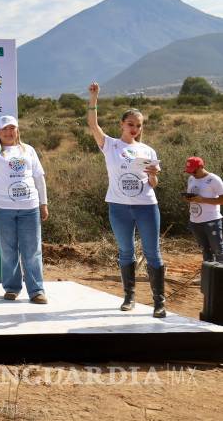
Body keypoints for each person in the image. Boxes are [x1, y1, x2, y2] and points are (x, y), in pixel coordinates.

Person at [87, 83, 165, 318]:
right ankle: (129, 297)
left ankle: (159, 302)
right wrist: (94, 98)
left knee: (153, 252)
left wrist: (153, 175)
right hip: (119, 206)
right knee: (125, 251)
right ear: (122, 124)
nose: (134, 129)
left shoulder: (148, 150)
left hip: (146, 206)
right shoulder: (110, 145)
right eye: (130, 124)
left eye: (138, 125)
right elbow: (93, 124)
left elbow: (153, 184)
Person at [0, 115, 49, 304]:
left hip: (29, 208)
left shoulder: (28, 150)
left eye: (12, 128)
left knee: (32, 250)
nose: (9, 132)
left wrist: (43, 203)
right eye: (4, 129)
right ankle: (12, 288)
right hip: (1, 208)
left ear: (17, 130)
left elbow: (39, 178)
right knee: (8, 251)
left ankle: (36, 290)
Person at [183, 156, 223, 264]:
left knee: (219, 251)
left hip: (211, 221)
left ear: (201, 167)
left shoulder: (214, 180)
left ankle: (219, 278)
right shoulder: (191, 179)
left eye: (194, 171)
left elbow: (222, 199)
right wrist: (189, 199)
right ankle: (209, 278)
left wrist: (202, 200)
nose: (192, 174)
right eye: (189, 172)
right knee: (206, 251)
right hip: (195, 221)